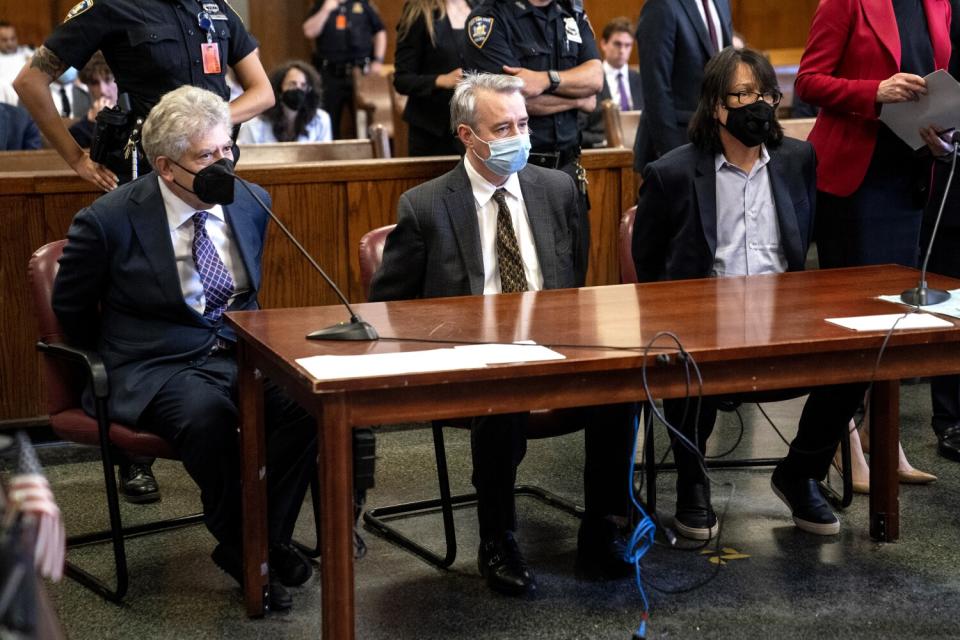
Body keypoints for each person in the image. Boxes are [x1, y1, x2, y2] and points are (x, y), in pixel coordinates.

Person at [369, 72, 635, 596]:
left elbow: (572, 280)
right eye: (503, 127)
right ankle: (498, 538)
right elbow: (389, 307)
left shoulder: (558, 189)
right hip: (473, 360)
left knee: (621, 387)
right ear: (468, 135)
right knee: (501, 394)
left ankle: (604, 528)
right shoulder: (425, 206)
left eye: (523, 124)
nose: (519, 136)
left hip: (555, 347)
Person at [51, 86, 316, 611]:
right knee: (209, 417)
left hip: (238, 351)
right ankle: (247, 547)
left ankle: (264, 540)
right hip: (157, 363)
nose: (225, 165)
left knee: (306, 404)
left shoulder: (253, 201)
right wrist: (114, 361)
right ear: (167, 167)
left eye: (227, 150)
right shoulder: (108, 219)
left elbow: (249, 294)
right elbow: (71, 308)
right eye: (207, 156)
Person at [632, 47, 868, 539]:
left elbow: (806, 243)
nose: (757, 105)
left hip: (785, 319)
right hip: (704, 322)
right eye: (743, 95)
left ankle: (800, 472)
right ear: (716, 106)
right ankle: (692, 483)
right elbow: (650, 264)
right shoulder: (672, 173)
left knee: (860, 358)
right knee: (679, 347)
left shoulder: (797, 160)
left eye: (766, 94)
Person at [795, 0, 951, 466]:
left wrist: (945, 137)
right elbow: (807, 82)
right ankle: (840, 441)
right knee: (858, 328)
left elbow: (937, 87)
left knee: (896, 324)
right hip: (854, 185)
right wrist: (875, 90)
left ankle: (885, 440)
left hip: (910, 178)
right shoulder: (846, 2)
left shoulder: (938, 4)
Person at [13, 0, 274, 190]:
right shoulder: (110, 6)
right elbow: (29, 82)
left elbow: (263, 93)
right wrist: (77, 159)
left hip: (216, 166)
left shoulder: (215, 6)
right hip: (147, 173)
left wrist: (204, 123)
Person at [462, 0, 602, 288]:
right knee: (510, 282)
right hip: (512, 171)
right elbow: (503, 105)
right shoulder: (488, 19)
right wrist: (577, 97)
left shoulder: (571, 11)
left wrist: (545, 79)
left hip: (567, 172)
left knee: (571, 285)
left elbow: (596, 78)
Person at [633, 0, 733, 174]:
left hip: (716, 146)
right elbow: (656, 89)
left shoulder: (722, 3)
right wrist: (673, 156)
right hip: (675, 146)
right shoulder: (661, 5)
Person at [394, 0, 472, 156]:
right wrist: (441, 80)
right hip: (433, 133)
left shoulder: (482, 7)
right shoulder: (419, 10)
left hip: (475, 128)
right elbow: (402, 79)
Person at [303, 0, 387, 139]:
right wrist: (325, 9)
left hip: (360, 74)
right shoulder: (321, 4)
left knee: (363, 123)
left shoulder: (362, 4)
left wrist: (378, 60)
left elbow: (380, 31)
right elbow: (309, 31)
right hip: (330, 74)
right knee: (329, 120)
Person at [579, 16, 644, 149]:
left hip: (638, 149)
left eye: (627, 45)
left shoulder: (641, 80)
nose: (622, 51)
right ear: (603, 44)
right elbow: (578, 131)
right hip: (602, 150)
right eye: (617, 44)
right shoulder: (589, 80)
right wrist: (607, 140)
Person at [237, 61, 332, 144]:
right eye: (292, 84)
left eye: (303, 85)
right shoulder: (254, 125)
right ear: (279, 89)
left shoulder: (321, 120)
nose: (298, 89)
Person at [68, 52, 118, 149]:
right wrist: (96, 125)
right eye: (95, 83)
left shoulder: (137, 121)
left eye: (108, 80)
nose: (103, 90)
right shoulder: (78, 132)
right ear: (88, 86)